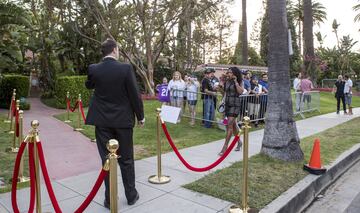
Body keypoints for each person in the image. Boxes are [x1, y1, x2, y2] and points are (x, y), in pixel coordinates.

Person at [85, 39, 144, 209]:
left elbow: (89, 85)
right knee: (126, 160)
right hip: (123, 121)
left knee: (106, 160)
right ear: (115, 50)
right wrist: (140, 116)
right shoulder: (125, 68)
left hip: (102, 121)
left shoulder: (94, 69)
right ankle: (131, 195)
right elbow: (134, 94)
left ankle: (109, 199)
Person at [219, 67, 244, 155]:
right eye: (228, 72)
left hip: (235, 106)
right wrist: (220, 85)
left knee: (229, 126)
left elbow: (241, 92)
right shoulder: (227, 81)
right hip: (227, 105)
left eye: (230, 72)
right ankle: (239, 142)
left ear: (234, 74)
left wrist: (236, 82)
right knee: (231, 126)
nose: (228, 74)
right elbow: (224, 93)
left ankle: (225, 147)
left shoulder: (240, 81)